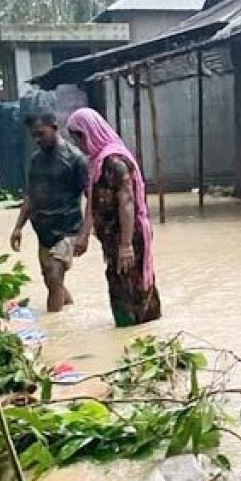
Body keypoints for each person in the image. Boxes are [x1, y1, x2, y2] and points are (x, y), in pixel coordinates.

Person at [64, 108, 161, 328]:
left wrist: (125, 245)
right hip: (112, 238)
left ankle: (134, 332)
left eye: (78, 139)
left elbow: (127, 202)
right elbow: (94, 200)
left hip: (127, 237)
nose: (78, 145)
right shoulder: (98, 162)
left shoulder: (114, 162)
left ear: (88, 134)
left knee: (130, 286)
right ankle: (136, 331)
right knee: (121, 282)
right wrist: (84, 234)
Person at [9, 106, 90, 313]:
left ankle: (51, 327)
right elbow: (31, 196)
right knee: (51, 280)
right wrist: (18, 227)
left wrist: (84, 234)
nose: (37, 139)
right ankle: (68, 314)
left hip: (67, 230)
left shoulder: (75, 159)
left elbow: (92, 199)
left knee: (54, 276)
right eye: (33, 136)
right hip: (43, 232)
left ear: (54, 127)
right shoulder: (36, 160)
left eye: (41, 134)